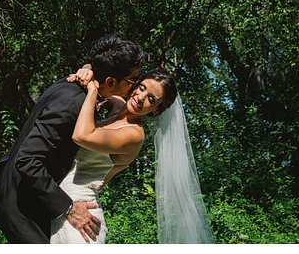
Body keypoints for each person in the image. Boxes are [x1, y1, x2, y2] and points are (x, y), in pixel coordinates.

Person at [0, 34, 145, 244]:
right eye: (133, 80)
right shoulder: (72, 104)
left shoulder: (77, 84)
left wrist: (88, 66)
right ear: (111, 81)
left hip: (31, 196)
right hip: (21, 203)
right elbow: (26, 159)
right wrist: (68, 207)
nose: (135, 87)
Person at [51, 68, 215, 244]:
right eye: (142, 87)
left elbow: (81, 136)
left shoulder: (134, 135)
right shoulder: (118, 106)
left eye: (151, 99)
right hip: (60, 204)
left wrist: (92, 90)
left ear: (156, 110)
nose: (141, 97)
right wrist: (87, 69)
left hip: (82, 217)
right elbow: (100, 73)